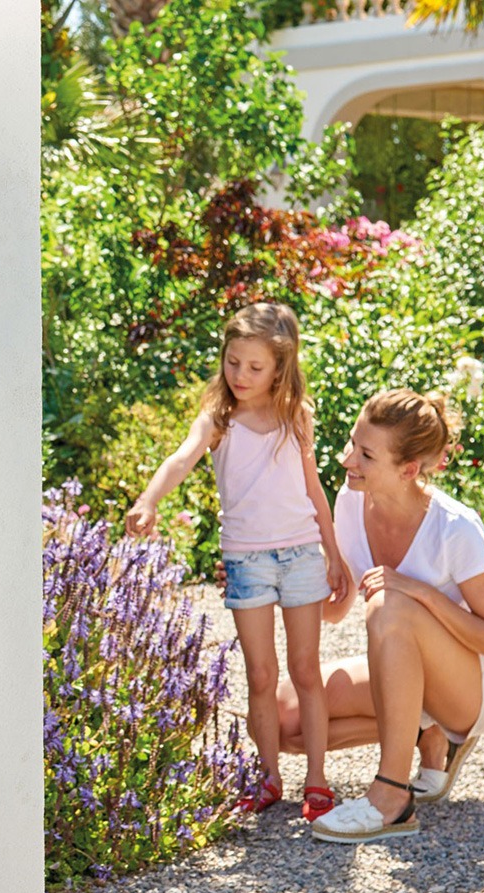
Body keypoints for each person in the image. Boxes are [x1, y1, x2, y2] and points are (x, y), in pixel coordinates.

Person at [125, 302, 348, 822]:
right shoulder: (219, 417)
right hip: (247, 561)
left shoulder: (297, 416)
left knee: (306, 670)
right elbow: (182, 457)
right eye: (232, 362)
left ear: (279, 367)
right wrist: (150, 500)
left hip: (300, 556)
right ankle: (268, 778)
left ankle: (317, 780)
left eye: (254, 367)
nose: (240, 375)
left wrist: (334, 554)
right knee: (262, 674)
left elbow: (315, 490)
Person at [277, 388, 484, 844]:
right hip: (407, 670)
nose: (348, 459)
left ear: (409, 470)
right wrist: (279, 583)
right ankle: (428, 736)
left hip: (480, 683)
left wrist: (417, 591)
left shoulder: (454, 527)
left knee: (389, 605)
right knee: (283, 720)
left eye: (366, 454)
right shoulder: (351, 502)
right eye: (354, 443)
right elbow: (337, 609)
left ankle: (392, 796)